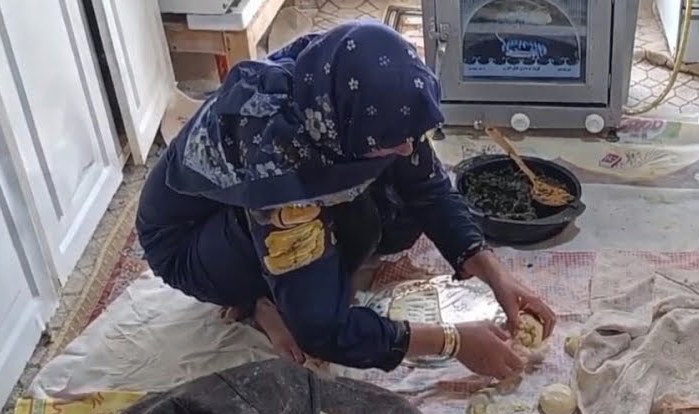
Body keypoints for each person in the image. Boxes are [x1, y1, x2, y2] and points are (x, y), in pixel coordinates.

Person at [137, 21, 554, 379]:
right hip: (189, 242)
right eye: (395, 141)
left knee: (400, 210)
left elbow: (427, 186)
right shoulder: (278, 165)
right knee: (342, 256)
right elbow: (325, 331)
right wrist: (453, 342)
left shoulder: (344, 85)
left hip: (259, 200)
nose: (410, 148)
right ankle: (262, 299)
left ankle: (288, 285)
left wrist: (493, 271)